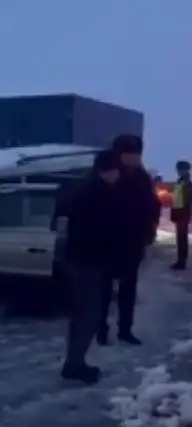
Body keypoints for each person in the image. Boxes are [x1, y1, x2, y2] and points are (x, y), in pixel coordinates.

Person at [62, 150, 125, 384]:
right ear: (105, 171)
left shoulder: (91, 189)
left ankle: (75, 362)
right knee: (87, 315)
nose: (115, 175)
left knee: (85, 315)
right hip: (86, 262)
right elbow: (97, 232)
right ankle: (74, 365)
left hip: (85, 260)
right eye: (112, 171)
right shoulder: (94, 194)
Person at [99, 134, 160, 346]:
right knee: (103, 291)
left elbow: (152, 206)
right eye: (128, 154)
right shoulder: (109, 175)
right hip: (107, 243)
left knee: (128, 289)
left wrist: (149, 232)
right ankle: (101, 329)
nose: (133, 159)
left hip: (132, 243)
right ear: (119, 155)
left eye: (136, 154)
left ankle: (125, 329)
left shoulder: (142, 178)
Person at [170, 160, 192, 270]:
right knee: (180, 238)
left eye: (179, 169)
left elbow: (186, 200)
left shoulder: (187, 183)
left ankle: (181, 262)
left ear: (185, 170)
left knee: (182, 238)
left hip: (183, 213)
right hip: (179, 213)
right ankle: (180, 260)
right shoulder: (180, 182)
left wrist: (183, 213)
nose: (178, 171)